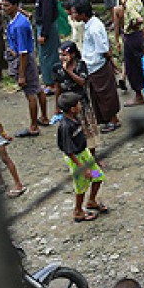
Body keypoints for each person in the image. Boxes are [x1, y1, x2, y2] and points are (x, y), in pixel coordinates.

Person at [1, 0, 48, 137]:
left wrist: (21, 74)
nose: (4, 8)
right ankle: (44, 117)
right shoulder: (18, 18)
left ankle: (34, 126)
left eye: (7, 6)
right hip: (26, 58)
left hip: (24, 61)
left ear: (15, 6)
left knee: (30, 93)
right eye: (3, 5)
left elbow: (23, 52)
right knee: (38, 88)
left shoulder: (19, 25)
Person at [73, 0, 121, 133]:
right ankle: (106, 118)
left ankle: (113, 119)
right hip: (92, 65)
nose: (73, 16)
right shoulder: (90, 24)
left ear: (83, 13)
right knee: (97, 95)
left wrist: (110, 62)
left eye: (75, 13)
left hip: (97, 65)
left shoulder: (94, 28)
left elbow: (103, 49)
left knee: (105, 94)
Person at [57, 92, 107, 222]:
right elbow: (68, 151)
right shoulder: (65, 126)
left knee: (98, 176)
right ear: (72, 108)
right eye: (78, 103)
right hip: (76, 159)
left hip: (84, 153)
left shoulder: (75, 118)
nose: (80, 105)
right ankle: (78, 211)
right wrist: (83, 168)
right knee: (81, 186)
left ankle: (91, 201)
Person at [53, 41, 101, 157]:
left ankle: (93, 157)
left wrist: (68, 71)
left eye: (64, 55)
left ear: (73, 54)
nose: (62, 58)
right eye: (60, 55)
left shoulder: (80, 65)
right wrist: (57, 106)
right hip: (67, 106)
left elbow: (82, 82)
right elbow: (57, 87)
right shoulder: (57, 68)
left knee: (88, 130)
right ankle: (80, 157)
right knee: (74, 133)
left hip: (81, 104)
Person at [29, 0, 61, 93]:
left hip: (47, 27)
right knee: (48, 54)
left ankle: (51, 83)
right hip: (45, 26)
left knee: (47, 56)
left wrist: (44, 34)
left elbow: (47, 16)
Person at [116, 0, 144, 107]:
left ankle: (138, 95)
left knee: (132, 67)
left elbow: (139, 18)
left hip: (132, 36)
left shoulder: (129, 4)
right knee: (142, 64)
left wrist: (132, 25)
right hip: (140, 36)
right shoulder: (137, 0)